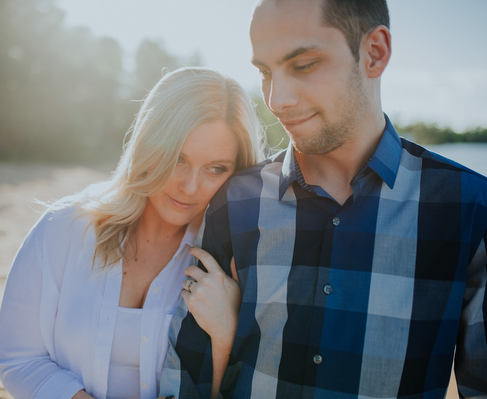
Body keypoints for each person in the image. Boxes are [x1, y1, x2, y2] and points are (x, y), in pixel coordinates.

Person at [161, 0, 487, 398]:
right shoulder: (236, 201)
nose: (276, 99)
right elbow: (185, 380)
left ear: (374, 53)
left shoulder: (469, 207)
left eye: (303, 65)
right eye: (264, 71)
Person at [0, 66, 265, 399]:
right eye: (178, 158)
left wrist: (228, 333)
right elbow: (20, 360)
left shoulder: (233, 265)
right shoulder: (65, 227)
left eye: (216, 169)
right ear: (150, 144)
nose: (191, 186)